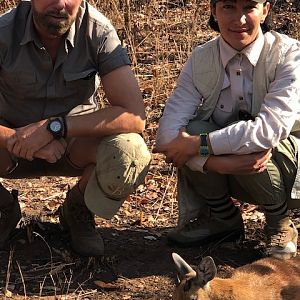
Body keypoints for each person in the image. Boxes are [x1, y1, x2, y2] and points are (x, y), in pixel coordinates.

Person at [0, 0, 151, 257]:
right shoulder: (3, 31)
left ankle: (78, 209)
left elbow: (134, 115)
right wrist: (19, 138)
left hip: (73, 143)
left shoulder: (98, 31)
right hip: (11, 145)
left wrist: (54, 128)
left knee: (130, 151)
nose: (60, 4)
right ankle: (3, 208)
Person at [155, 0, 300, 259]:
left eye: (249, 7)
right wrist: (216, 163)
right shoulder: (201, 57)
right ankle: (223, 218)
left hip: (281, 161)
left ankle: (279, 221)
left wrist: (197, 146)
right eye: (229, 7)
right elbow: (167, 135)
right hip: (231, 166)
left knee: (251, 140)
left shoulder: (288, 53)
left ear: (265, 10)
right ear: (213, 10)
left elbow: (268, 131)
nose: (239, 19)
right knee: (193, 129)